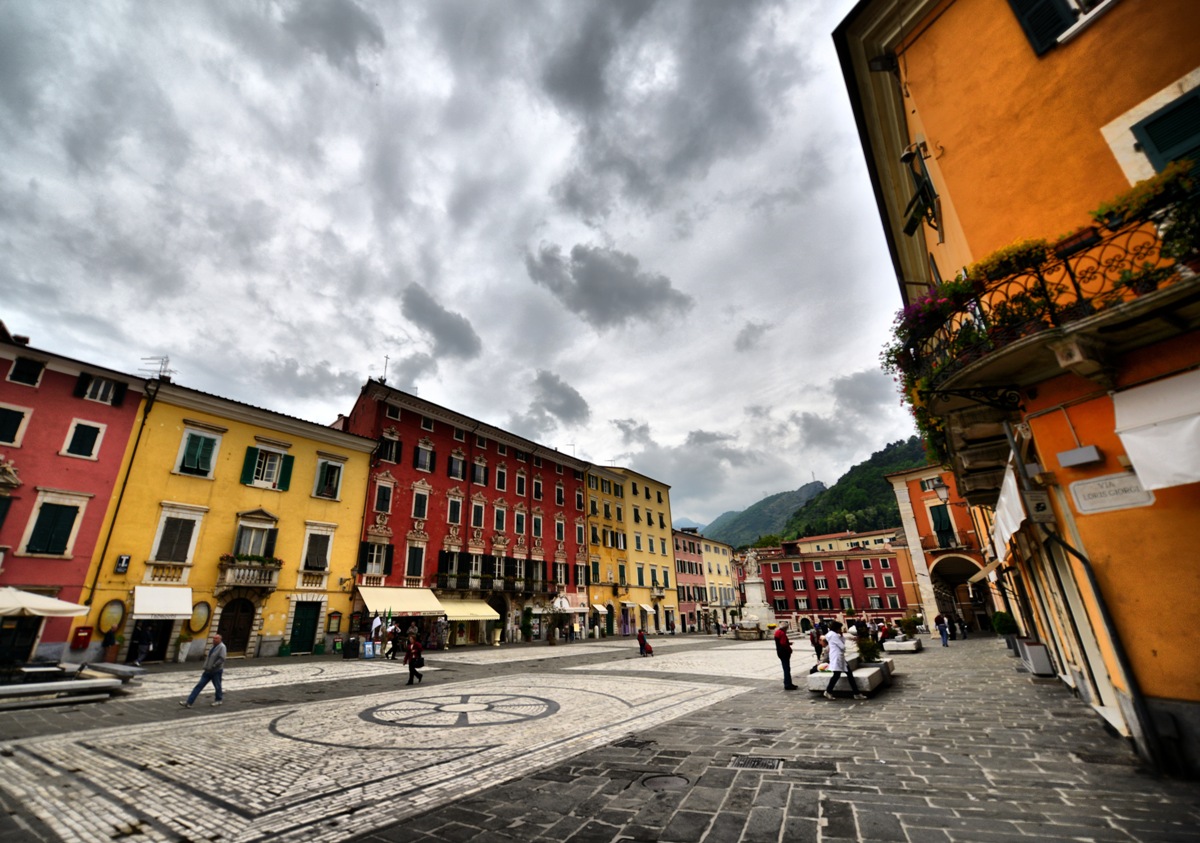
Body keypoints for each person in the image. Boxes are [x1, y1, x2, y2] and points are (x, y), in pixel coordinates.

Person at [180, 634, 227, 708]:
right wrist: (206, 666)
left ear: (220, 640)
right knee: (199, 686)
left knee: (217, 686)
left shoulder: (222, 647)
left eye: (216, 639)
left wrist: (214, 665)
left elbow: (222, 658)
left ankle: (218, 700)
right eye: (213, 638)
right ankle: (189, 702)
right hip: (207, 670)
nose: (214, 640)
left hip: (216, 671)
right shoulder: (212, 646)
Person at [823, 621, 867, 701]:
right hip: (838, 657)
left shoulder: (831, 635)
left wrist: (842, 636)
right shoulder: (834, 635)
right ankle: (829, 691)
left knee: (845, 675)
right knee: (838, 675)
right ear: (836, 628)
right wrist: (842, 638)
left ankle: (856, 693)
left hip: (838, 657)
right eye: (840, 628)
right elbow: (842, 646)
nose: (840, 629)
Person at [774, 622, 798, 690]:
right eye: (787, 628)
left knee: (785, 668)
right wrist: (789, 649)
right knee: (787, 668)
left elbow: (780, 642)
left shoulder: (777, 632)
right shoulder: (782, 633)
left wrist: (788, 643)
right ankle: (788, 684)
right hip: (784, 652)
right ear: (785, 628)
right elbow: (783, 643)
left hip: (779, 652)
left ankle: (787, 682)